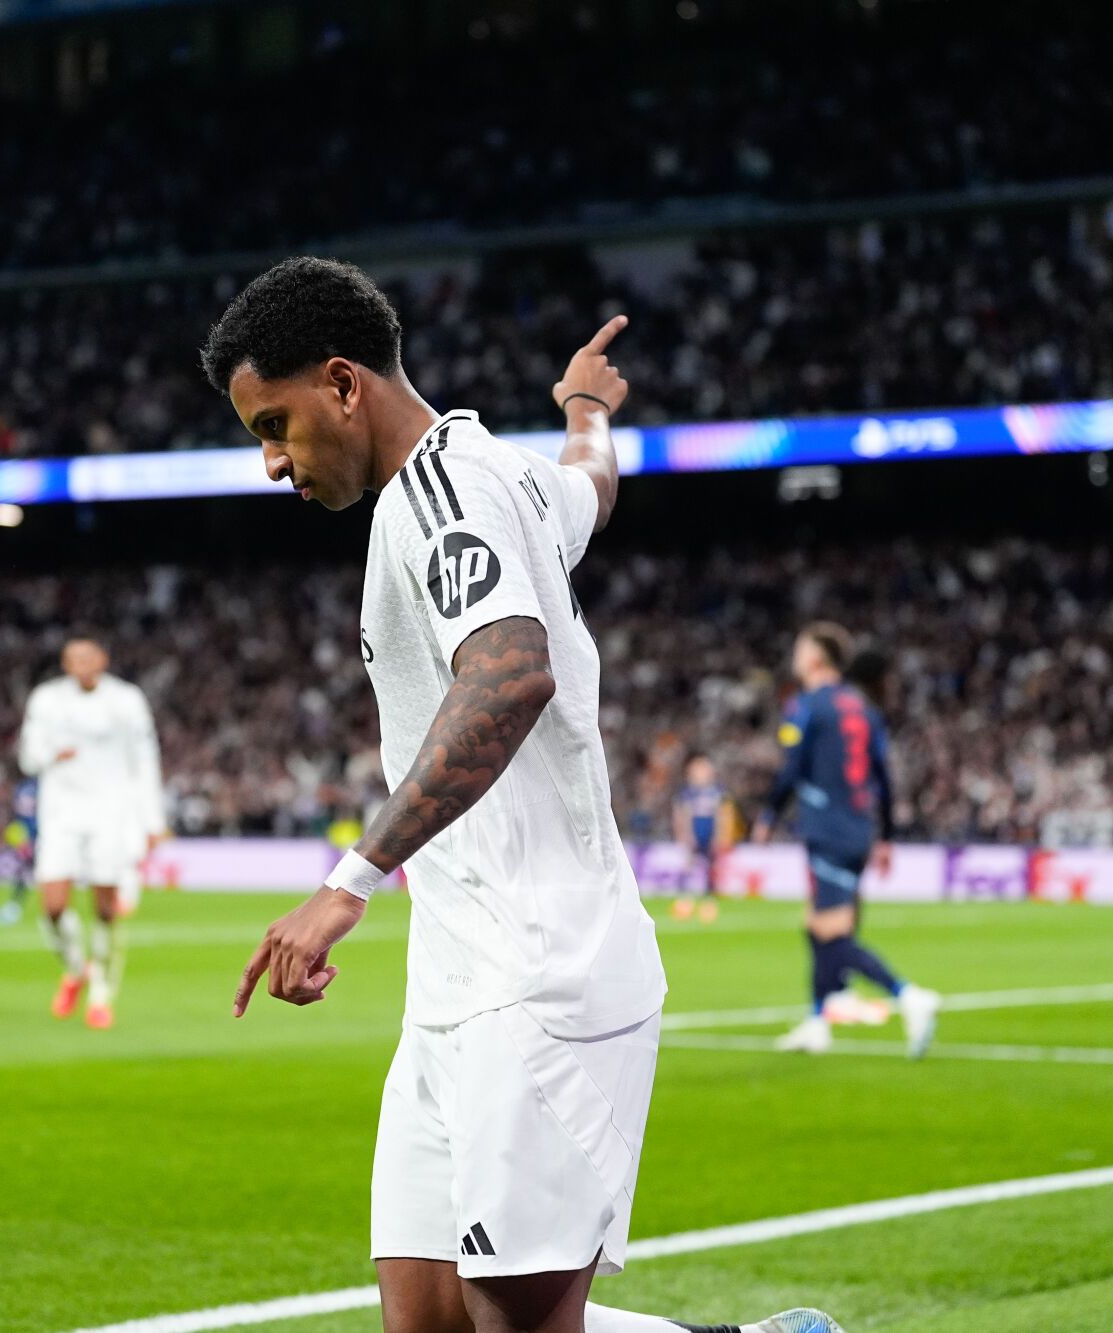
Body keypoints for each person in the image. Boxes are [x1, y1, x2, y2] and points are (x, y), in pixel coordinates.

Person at [207, 257, 842, 1333]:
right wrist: (586, 409)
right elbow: (587, 488)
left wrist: (347, 881)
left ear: (344, 383)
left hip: (541, 977)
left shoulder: (445, 493)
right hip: (451, 982)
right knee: (425, 1323)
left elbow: (508, 673)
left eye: (276, 423)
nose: (271, 460)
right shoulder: (488, 480)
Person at [753, 624, 939, 1058]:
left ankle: (909, 995)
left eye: (801, 648)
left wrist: (766, 816)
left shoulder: (808, 706)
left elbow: (792, 768)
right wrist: (887, 837)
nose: (795, 656)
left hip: (827, 829)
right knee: (814, 924)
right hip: (858, 829)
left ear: (818, 658)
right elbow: (884, 777)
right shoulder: (864, 708)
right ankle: (818, 1021)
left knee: (832, 933)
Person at [18, 636, 166, 1029]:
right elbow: (27, 757)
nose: (81, 664)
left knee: (105, 909)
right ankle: (74, 969)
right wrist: (51, 754)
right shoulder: (46, 699)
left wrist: (151, 820)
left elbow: (145, 759)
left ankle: (101, 994)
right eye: (73, 658)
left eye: (88, 656)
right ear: (65, 664)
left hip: (110, 814)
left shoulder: (127, 700)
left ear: (103, 658)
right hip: (61, 814)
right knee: (51, 907)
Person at [669, 755, 733, 922]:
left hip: (709, 833)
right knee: (689, 866)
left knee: (711, 868)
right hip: (693, 833)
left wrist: (720, 835)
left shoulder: (717, 792)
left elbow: (722, 814)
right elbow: (681, 815)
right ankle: (685, 899)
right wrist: (683, 834)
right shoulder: (687, 793)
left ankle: (708, 901)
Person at [0, 778, 40, 926]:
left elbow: (17, 815)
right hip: (38, 835)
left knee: (24, 873)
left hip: (26, 836)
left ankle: (14, 908)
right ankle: (15, 908)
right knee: (30, 873)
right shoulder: (43, 785)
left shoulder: (22, 787)